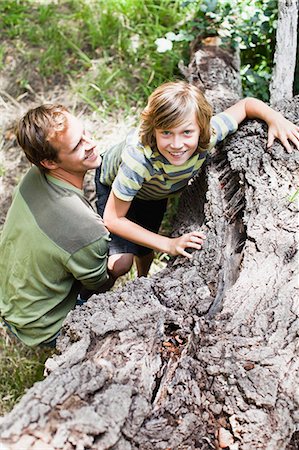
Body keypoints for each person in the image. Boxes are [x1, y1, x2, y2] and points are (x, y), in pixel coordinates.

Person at [95, 80, 299, 281]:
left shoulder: (209, 135)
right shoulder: (138, 159)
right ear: (153, 129)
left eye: (186, 132)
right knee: (120, 264)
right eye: (166, 132)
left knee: (146, 247)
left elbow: (246, 105)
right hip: (115, 183)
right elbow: (113, 219)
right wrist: (168, 244)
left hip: (153, 192)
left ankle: (142, 280)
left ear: (201, 128)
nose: (177, 144)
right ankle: (92, 293)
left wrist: (275, 118)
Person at [0, 104, 114, 347]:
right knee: (119, 262)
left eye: (85, 133)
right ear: (50, 162)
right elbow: (98, 281)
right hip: (43, 326)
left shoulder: (33, 178)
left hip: (8, 301)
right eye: (77, 146)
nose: (91, 144)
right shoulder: (87, 229)